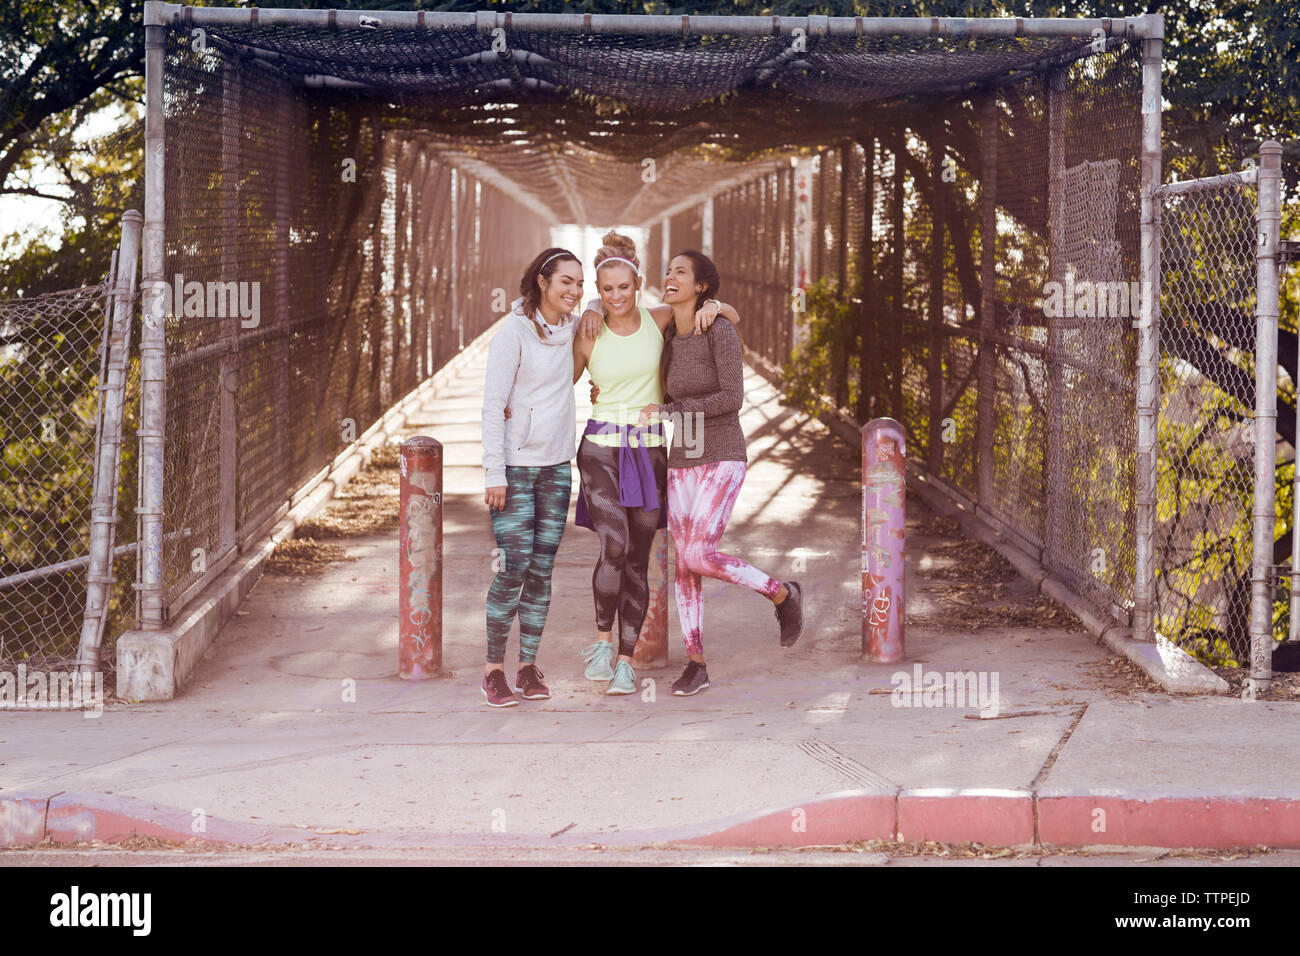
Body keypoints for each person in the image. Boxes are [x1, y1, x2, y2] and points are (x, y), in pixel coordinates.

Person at [569, 231, 739, 695]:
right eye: (607, 289)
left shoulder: (658, 319)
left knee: (640, 560)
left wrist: (716, 307)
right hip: (601, 448)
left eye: (625, 287)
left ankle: (626, 662)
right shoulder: (587, 330)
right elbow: (555, 384)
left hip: (648, 450)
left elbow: (729, 314)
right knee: (616, 547)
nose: (617, 296)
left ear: (637, 283)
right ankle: (602, 644)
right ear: (598, 291)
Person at [636, 250, 805, 696]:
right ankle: (697, 663)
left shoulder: (720, 329)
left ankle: (782, 594)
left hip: (723, 452)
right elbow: (618, 318)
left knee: (698, 555)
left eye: (681, 272)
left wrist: (671, 410)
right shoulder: (667, 331)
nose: (670, 277)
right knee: (685, 566)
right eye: (668, 270)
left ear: (702, 286)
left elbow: (732, 397)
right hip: (683, 456)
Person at [478, 247, 583, 707]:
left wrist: (713, 305)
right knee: (513, 567)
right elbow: (491, 406)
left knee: (542, 570)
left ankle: (527, 667)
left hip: (558, 467)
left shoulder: (576, 327)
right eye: (566, 282)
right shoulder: (512, 333)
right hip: (515, 471)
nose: (575, 292)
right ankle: (493, 670)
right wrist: (493, 473)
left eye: (580, 284)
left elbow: (629, 309)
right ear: (543, 282)